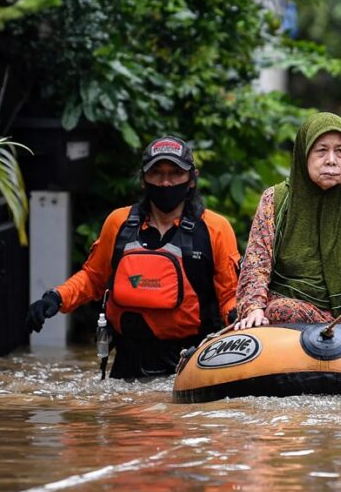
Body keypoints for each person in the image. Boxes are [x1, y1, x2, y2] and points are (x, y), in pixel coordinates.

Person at [26, 136, 242, 378]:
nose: (166, 182)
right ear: (143, 179)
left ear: (191, 179)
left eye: (175, 173)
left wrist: (239, 317)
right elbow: (93, 278)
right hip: (127, 362)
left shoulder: (215, 228)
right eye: (157, 173)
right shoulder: (119, 223)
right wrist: (56, 298)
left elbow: (229, 295)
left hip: (190, 362)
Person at [234, 113, 341, 331]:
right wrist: (254, 309)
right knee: (281, 310)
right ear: (303, 154)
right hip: (287, 314)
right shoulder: (276, 200)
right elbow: (257, 262)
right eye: (322, 150)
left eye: (340, 151)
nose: (331, 160)